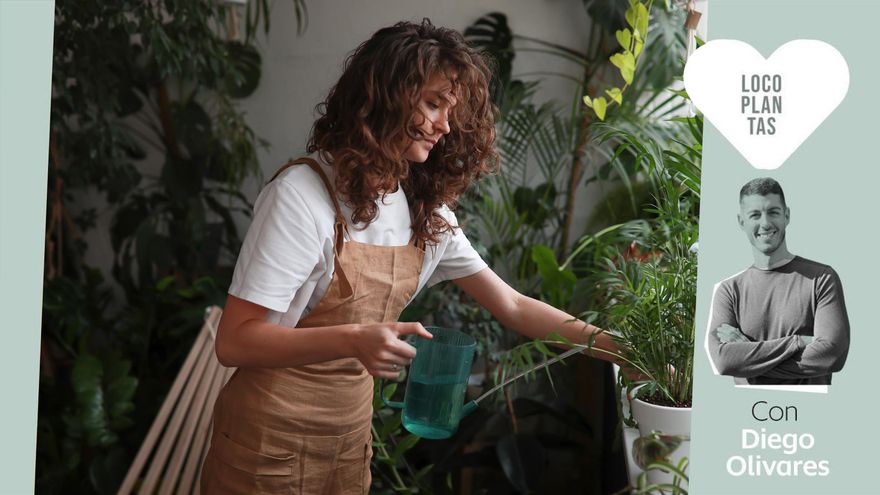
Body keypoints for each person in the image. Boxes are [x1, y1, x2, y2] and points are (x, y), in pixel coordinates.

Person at [198, 20, 620, 494]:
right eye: (433, 104)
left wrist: (625, 351)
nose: (444, 125)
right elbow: (235, 342)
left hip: (349, 442)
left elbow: (515, 306)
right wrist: (354, 338)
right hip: (266, 448)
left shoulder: (423, 211)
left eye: (450, 110)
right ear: (385, 98)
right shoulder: (300, 197)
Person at [707, 177, 850, 386]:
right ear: (741, 222)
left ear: (787, 215)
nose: (765, 223)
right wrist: (798, 342)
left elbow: (832, 357)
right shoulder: (729, 290)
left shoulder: (821, 279)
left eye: (773, 212)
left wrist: (749, 359)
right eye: (754, 215)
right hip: (747, 410)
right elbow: (724, 361)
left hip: (809, 412)